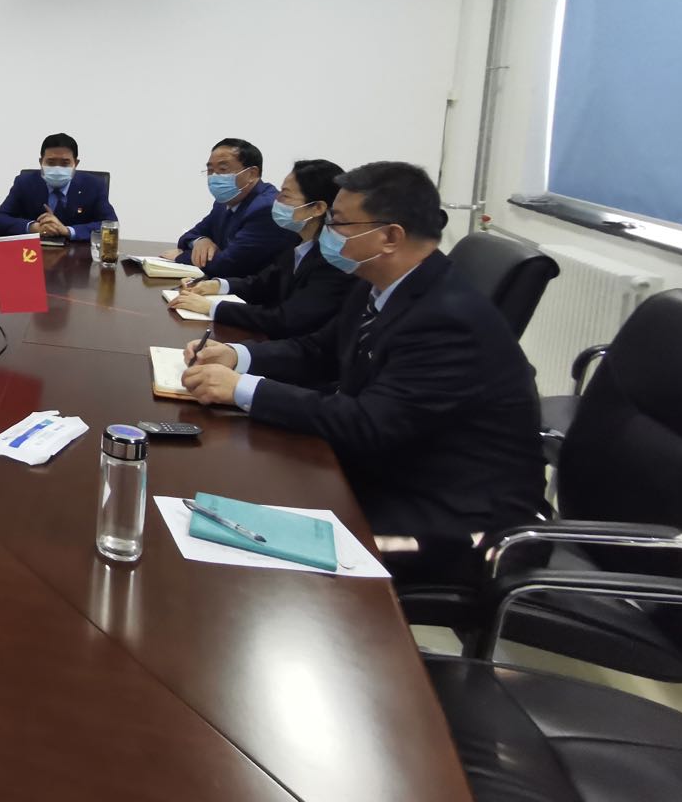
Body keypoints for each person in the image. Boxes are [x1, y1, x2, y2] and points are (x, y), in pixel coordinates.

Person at [180, 162, 543, 577]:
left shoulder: (448, 319)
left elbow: (369, 424)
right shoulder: (379, 286)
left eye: (339, 223)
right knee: (239, 490)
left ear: (390, 236)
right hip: (388, 474)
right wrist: (237, 356)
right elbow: (319, 351)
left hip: (455, 522)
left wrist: (243, 389)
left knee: (252, 548)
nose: (329, 233)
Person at [170, 158, 355, 338]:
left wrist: (212, 308)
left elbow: (286, 319)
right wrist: (217, 285)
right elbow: (264, 283)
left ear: (317, 208)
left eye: (285, 195)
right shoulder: (297, 241)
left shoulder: (333, 259)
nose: (276, 200)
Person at [166, 136, 297, 277]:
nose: (214, 177)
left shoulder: (266, 208)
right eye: (210, 170)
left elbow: (228, 266)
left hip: (259, 289)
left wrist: (182, 256)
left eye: (223, 169)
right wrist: (200, 241)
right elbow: (189, 236)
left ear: (251, 174)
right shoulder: (224, 202)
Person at [0, 132, 118, 241]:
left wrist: (67, 230)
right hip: (32, 255)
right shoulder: (25, 183)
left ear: (76, 163)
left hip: (78, 256)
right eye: (50, 163)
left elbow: (111, 226)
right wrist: (33, 227)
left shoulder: (93, 186)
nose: (57, 168)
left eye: (65, 163)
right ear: (41, 162)